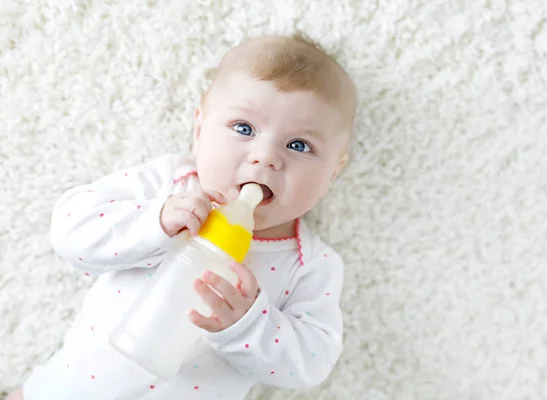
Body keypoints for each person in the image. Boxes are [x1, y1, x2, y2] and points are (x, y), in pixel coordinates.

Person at [9, 32, 356, 399]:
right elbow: (69, 228)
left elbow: (313, 362)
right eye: (244, 128)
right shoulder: (170, 184)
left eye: (299, 145)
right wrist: (154, 223)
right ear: (199, 129)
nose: (265, 156)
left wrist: (249, 324)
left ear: (333, 172)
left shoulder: (309, 265)